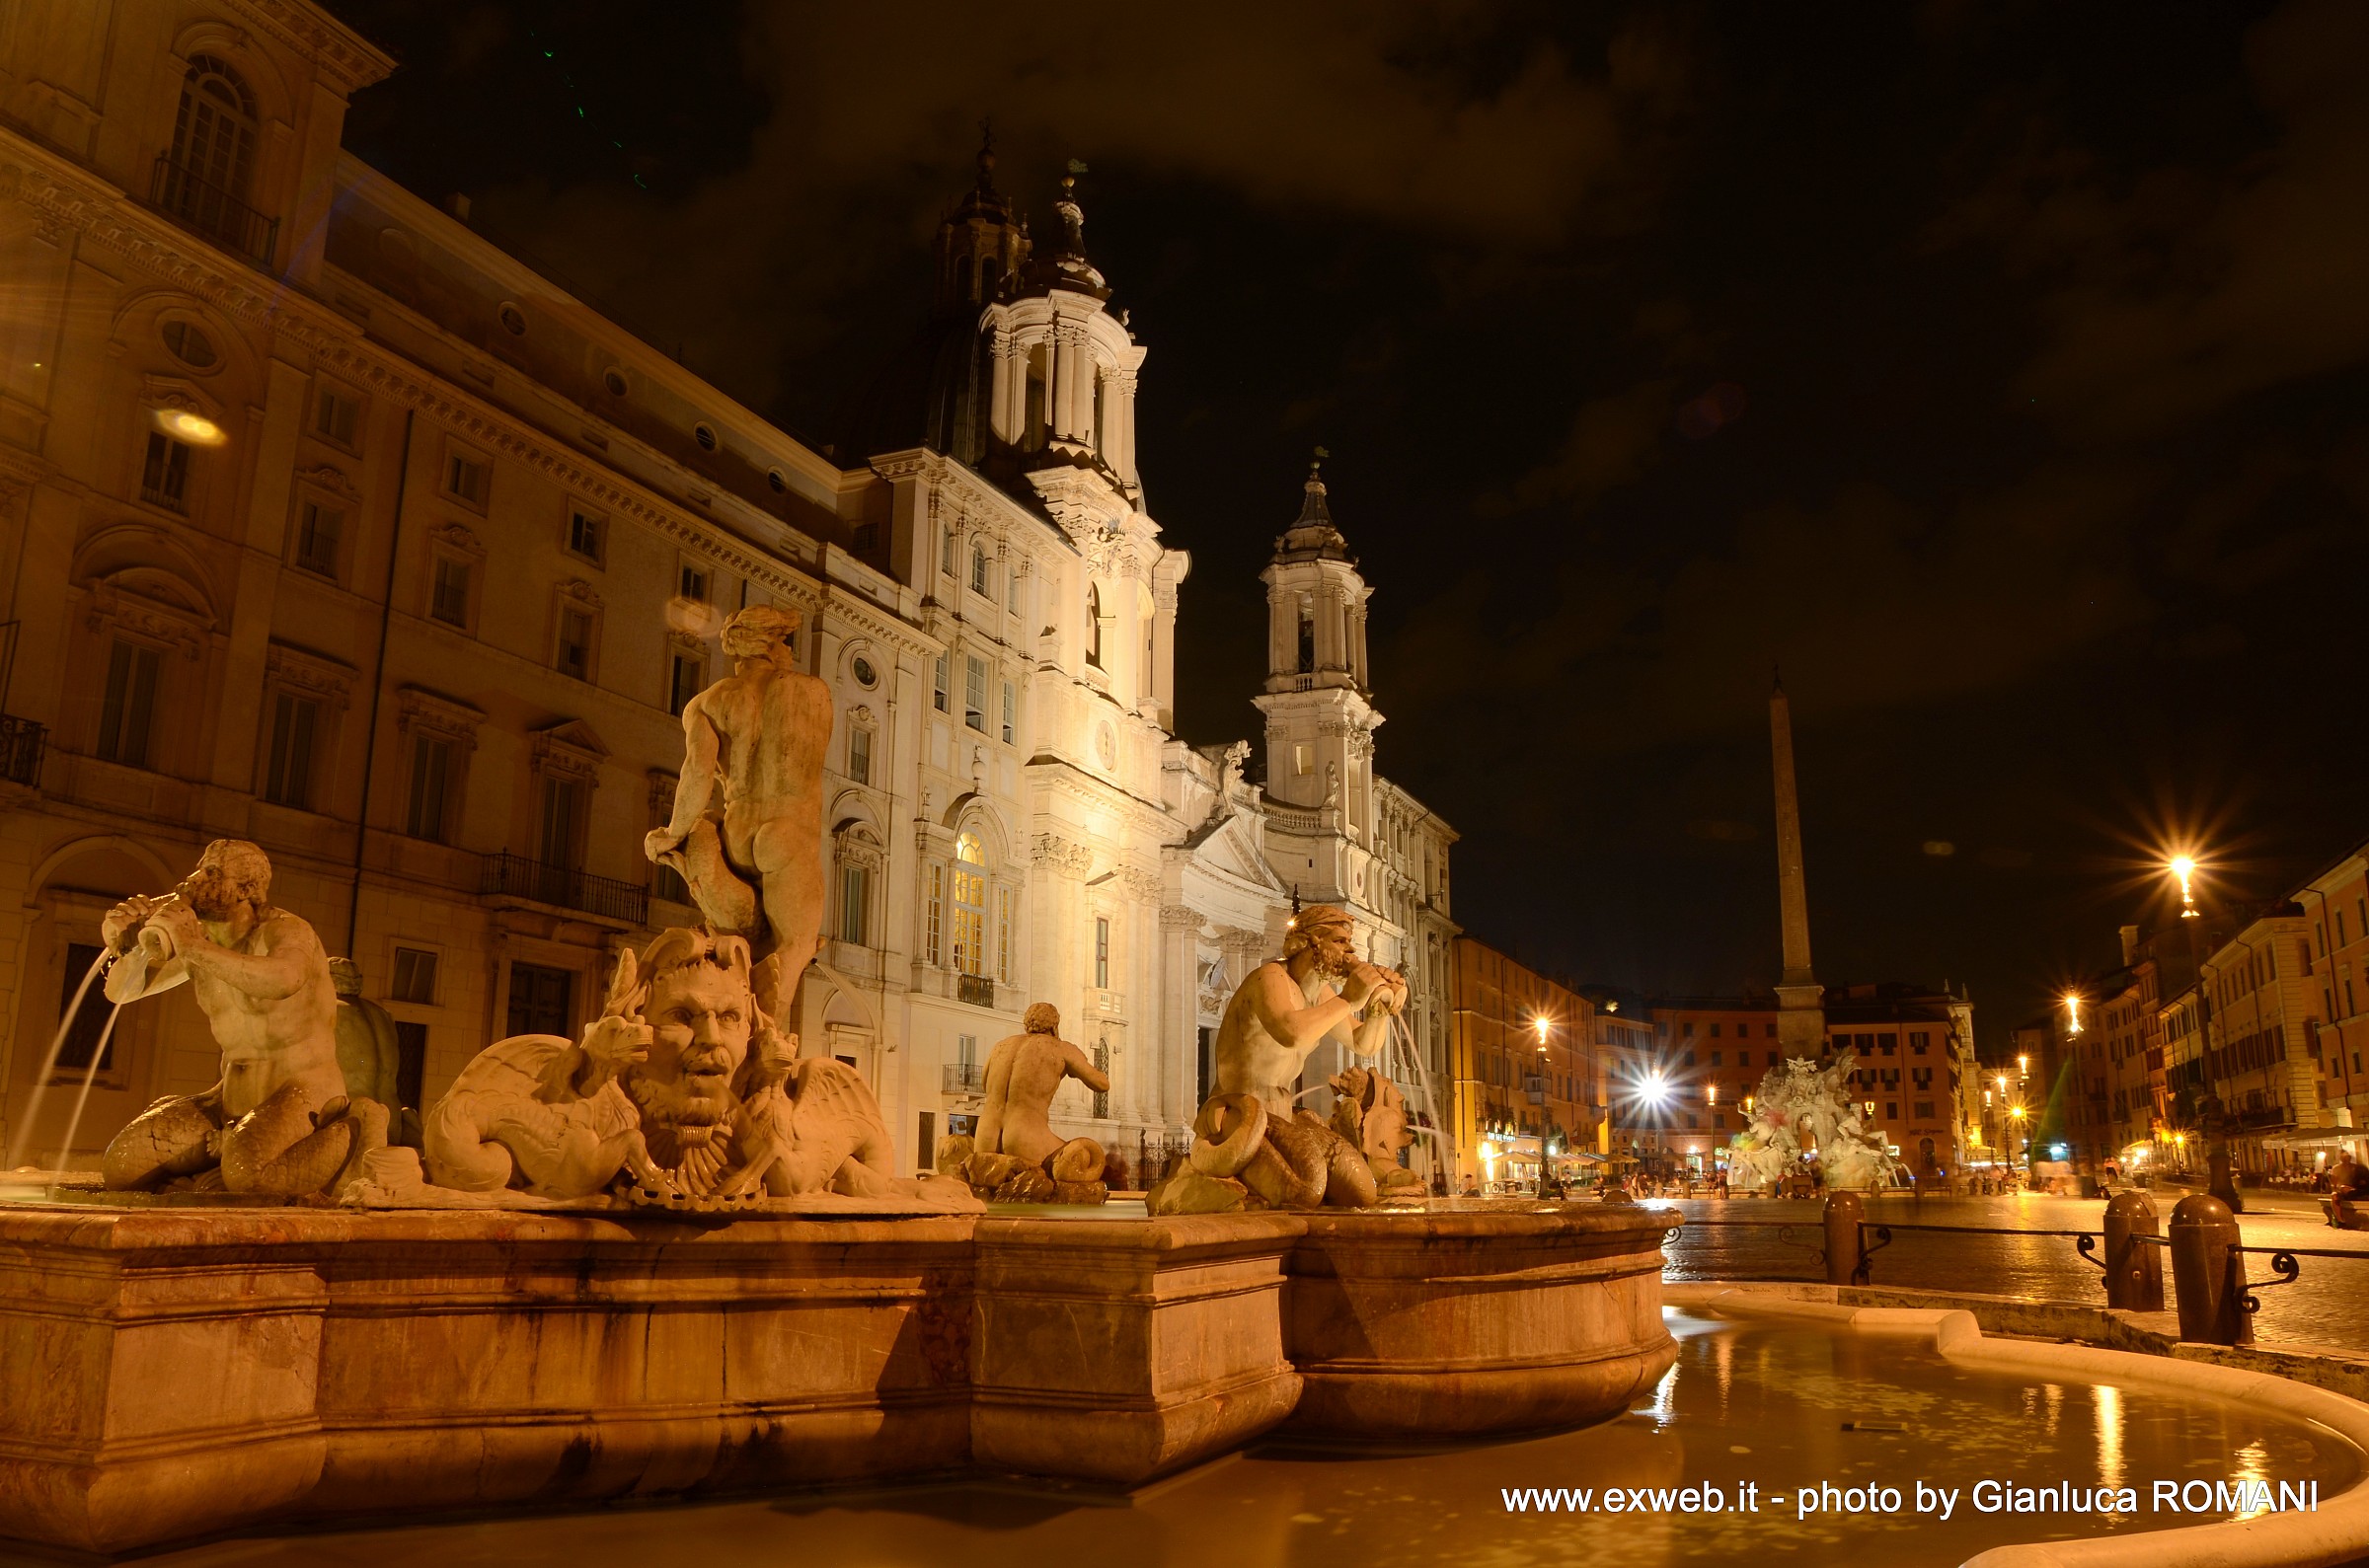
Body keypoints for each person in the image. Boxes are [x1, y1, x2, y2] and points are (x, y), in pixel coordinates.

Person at [98, 840, 384, 1195]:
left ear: (247, 888)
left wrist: (192, 945)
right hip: (227, 1098)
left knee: (252, 1180)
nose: (196, 879)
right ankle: (228, 1159)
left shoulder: (286, 931)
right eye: (200, 867)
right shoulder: (202, 941)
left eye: (213, 873)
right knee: (121, 1166)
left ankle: (358, 1125)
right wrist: (126, 943)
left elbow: (283, 979)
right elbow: (121, 992)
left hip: (302, 1092)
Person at [646, 603, 830, 998]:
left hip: (735, 836)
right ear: (772, 645)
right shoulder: (811, 692)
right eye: (785, 641)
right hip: (787, 832)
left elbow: (696, 775)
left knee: (740, 959)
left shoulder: (708, 703)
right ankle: (767, 1046)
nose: (789, 651)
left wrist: (670, 833)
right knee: (791, 951)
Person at [1210, 904, 1406, 1115]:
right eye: (1340, 941)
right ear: (1310, 943)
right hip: (1235, 1109)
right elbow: (1291, 1033)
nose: (1351, 950)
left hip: (1278, 1109)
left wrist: (1380, 1008)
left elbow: (1362, 1043)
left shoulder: (1321, 994)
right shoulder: (1270, 976)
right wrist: (1348, 1000)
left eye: (1349, 942)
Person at [976, 1004, 1110, 1171]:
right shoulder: (1060, 1048)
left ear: (1027, 1026)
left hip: (985, 1134)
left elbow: (984, 1084)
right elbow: (1102, 1084)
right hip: (1024, 1136)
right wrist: (1075, 1064)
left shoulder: (1000, 1046)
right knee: (1083, 1157)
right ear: (1055, 1027)